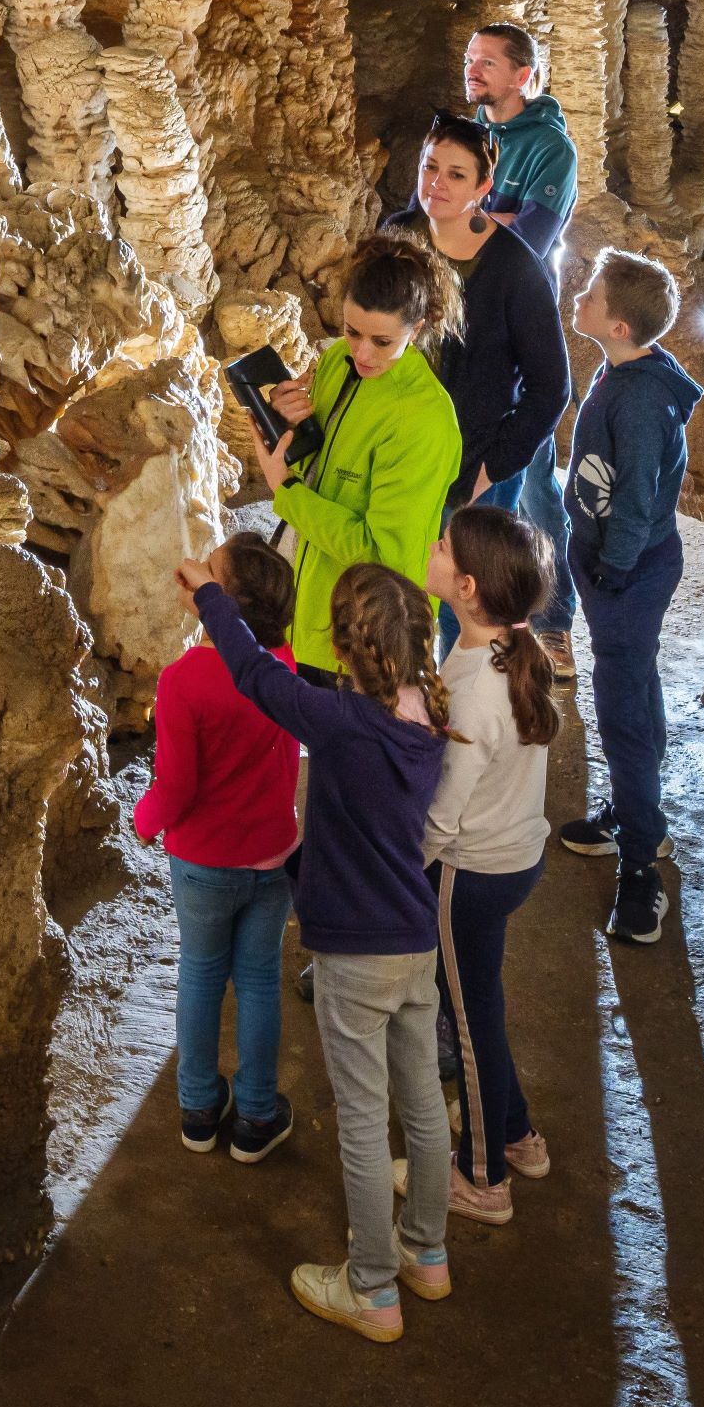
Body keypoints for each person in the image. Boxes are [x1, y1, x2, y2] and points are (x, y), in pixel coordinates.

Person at [185, 555, 455, 1342]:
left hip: (355, 955)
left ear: (342, 648)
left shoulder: (342, 722)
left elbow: (253, 674)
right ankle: (427, 1252)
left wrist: (209, 596)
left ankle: (371, 1288)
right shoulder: (429, 719)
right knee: (422, 1108)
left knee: (364, 1123)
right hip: (415, 943)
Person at [134, 536, 311, 1163]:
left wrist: (144, 820)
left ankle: (200, 1109)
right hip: (272, 855)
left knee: (202, 974)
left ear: (222, 607)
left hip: (204, 862)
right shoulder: (283, 663)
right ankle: (257, 1115)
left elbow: (176, 786)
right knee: (259, 979)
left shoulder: (183, 681)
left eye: (210, 570)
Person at [552, 245, 700, 947]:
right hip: (619, 565)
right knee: (636, 687)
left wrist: (611, 568)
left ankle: (641, 865)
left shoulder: (639, 400)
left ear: (617, 326)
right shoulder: (624, 369)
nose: (578, 297)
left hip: (629, 570)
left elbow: (636, 497)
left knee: (622, 717)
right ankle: (634, 813)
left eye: (591, 294)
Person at [427, 504, 564, 1220]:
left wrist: (401, 870)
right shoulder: (508, 653)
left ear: (468, 587)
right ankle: (516, 1134)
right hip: (512, 855)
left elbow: (443, 814)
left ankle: (482, 1180)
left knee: (469, 1022)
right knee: (479, 1000)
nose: (432, 548)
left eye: (443, 547)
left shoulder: (475, 690)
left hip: (469, 872)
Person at [249, 235, 465, 676]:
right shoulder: (337, 363)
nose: (362, 353)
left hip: (364, 647)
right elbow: (320, 470)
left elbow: (381, 553)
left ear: (417, 329)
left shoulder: (422, 420)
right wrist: (288, 427)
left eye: (383, 341)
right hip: (306, 621)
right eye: (352, 332)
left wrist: (284, 490)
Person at [415, 118, 574, 635]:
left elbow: (550, 387)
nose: (437, 183)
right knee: (398, 597)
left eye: (456, 174)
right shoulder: (399, 237)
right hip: (403, 451)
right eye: (430, 167)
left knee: (467, 612)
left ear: (484, 186)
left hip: (473, 461)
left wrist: (490, 469)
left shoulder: (515, 268)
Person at [466, 18, 577, 265]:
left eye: (488, 63)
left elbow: (530, 242)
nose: (472, 72)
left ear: (521, 76)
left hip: (518, 287)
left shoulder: (553, 150)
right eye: (470, 61)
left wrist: (460, 218)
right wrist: (499, 220)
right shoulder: (462, 138)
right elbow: (423, 217)